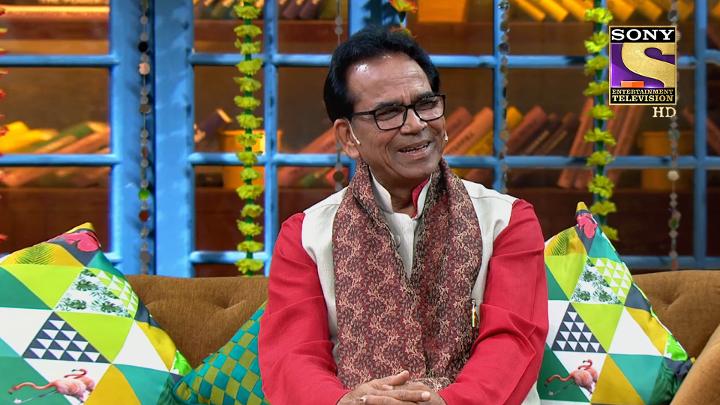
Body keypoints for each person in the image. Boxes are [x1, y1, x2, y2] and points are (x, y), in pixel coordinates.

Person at [259, 26, 548, 405]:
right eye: (389, 112)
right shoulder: (306, 235)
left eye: (426, 105)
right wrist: (344, 402)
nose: (416, 125)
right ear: (347, 137)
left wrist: (447, 402)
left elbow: (513, 339)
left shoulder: (507, 221)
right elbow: (292, 355)